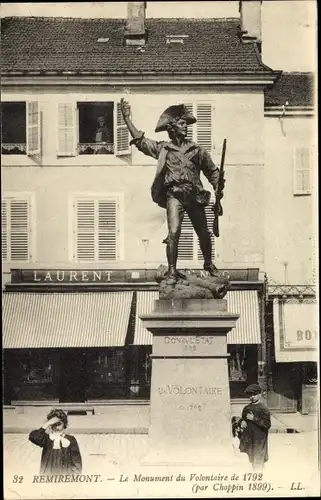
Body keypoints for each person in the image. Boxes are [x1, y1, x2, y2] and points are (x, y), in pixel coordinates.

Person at [120, 98, 220, 283]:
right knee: (173, 232)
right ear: (172, 128)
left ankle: (208, 263)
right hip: (174, 196)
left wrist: (217, 186)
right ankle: (172, 271)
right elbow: (141, 142)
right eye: (182, 123)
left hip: (195, 196)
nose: (186, 127)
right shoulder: (163, 149)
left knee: (204, 232)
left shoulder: (197, 150)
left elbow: (212, 171)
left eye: (186, 124)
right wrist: (127, 119)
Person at [29, 408, 82, 475]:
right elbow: (33, 437)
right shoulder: (47, 438)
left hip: (65, 477)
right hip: (48, 475)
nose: (57, 427)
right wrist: (47, 423)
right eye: (54, 424)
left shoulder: (71, 439)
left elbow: (76, 462)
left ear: (64, 424)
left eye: (59, 424)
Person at [238, 384, 271, 471]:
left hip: (259, 440)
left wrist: (254, 419)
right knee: (249, 460)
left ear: (259, 394)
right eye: (250, 395)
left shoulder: (263, 408)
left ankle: (258, 480)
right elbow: (243, 419)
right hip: (248, 439)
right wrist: (242, 422)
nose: (252, 397)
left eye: (254, 394)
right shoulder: (246, 408)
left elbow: (267, 425)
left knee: (258, 461)